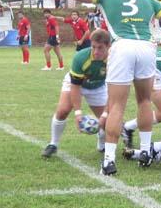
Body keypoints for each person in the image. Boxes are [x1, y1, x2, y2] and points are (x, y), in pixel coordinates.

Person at [55, 0, 161, 176]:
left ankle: (108, 161)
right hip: (147, 47)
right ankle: (144, 151)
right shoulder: (146, 0)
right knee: (144, 101)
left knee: (117, 105)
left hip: (122, 46)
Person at [41, 29, 111, 158]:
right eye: (93, 47)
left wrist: (106, 113)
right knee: (62, 110)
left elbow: (115, 90)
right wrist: (78, 113)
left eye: (100, 48)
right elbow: (75, 87)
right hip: (77, 83)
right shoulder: (81, 57)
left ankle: (102, 144)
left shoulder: (115, 59)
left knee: (107, 121)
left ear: (108, 46)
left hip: (98, 86)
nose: (96, 52)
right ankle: (53, 144)